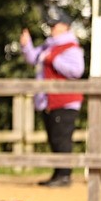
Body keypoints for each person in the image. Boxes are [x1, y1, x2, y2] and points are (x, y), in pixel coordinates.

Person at [21, 11, 84, 187]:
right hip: (49, 101)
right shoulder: (48, 46)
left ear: (65, 26)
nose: (51, 29)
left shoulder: (71, 48)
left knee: (62, 138)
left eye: (54, 26)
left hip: (65, 101)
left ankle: (64, 175)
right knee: (54, 138)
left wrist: (54, 59)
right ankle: (58, 174)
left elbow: (76, 71)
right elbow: (33, 58)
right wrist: (27, 45)